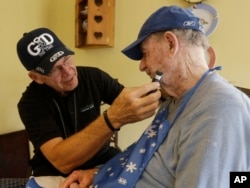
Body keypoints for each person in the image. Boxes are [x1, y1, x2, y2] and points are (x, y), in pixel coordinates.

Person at [60, 5, 250, 188]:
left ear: (170, 44)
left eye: (144, 54)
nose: (142, 66)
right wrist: (99, 173)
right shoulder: (175, 99)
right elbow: (150, 160)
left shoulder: (219, 110)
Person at [16, 27, 162, 180]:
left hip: (102, 160)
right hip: (54, 172)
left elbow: (133, 102)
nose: (68, 72)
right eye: (55, 69)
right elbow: (62, 162)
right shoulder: (30, 104)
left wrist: (163, 89)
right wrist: (111, 119)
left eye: (66, 59)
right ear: (36, 77)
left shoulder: (94, 77)